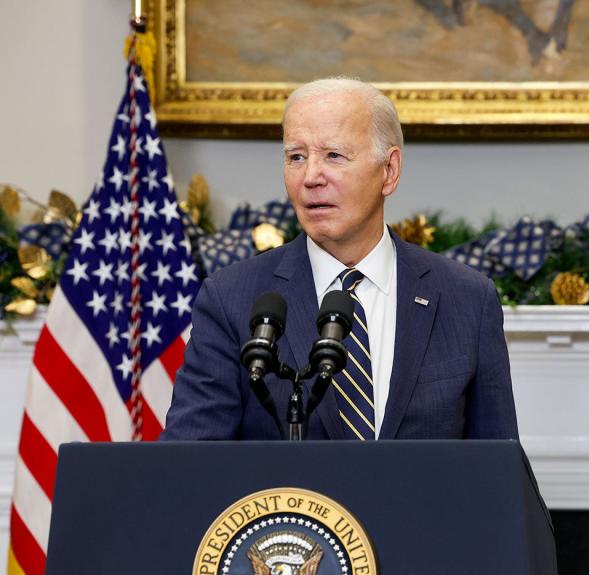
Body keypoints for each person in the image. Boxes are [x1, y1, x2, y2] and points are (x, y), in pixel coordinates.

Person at [162, 78, 518, 440]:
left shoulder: (467, 299)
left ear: (389, 170)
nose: (311, 177)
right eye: (296, 157)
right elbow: (189, 468)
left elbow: (497, 475)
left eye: (334, 155)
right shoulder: (232, 299)